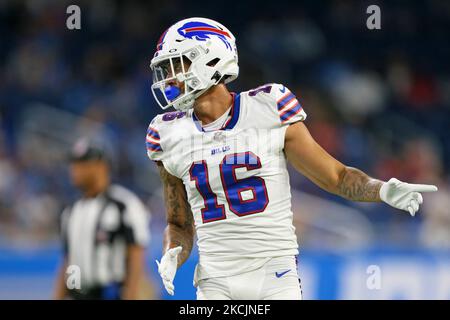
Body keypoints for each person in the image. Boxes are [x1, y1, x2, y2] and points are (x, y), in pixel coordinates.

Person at [146, 18, 438, 300]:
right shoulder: (167, 132)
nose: (171, 78)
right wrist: (174, 251)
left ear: (210, 57)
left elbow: (335, 177)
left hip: (274, 277)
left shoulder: (267, 106)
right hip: (214, 280)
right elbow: (179, 222)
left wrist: (382, 189)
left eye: (178, 65)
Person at [54, 138, 151, 300]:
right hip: (77, 294)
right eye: (74, 164)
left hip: (110, 293)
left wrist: (131, 294)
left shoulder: (124, 204)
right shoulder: (70, 212)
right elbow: (68, 261)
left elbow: (137, 256)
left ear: (101, 166)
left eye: (83, 163)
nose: (75, 170)